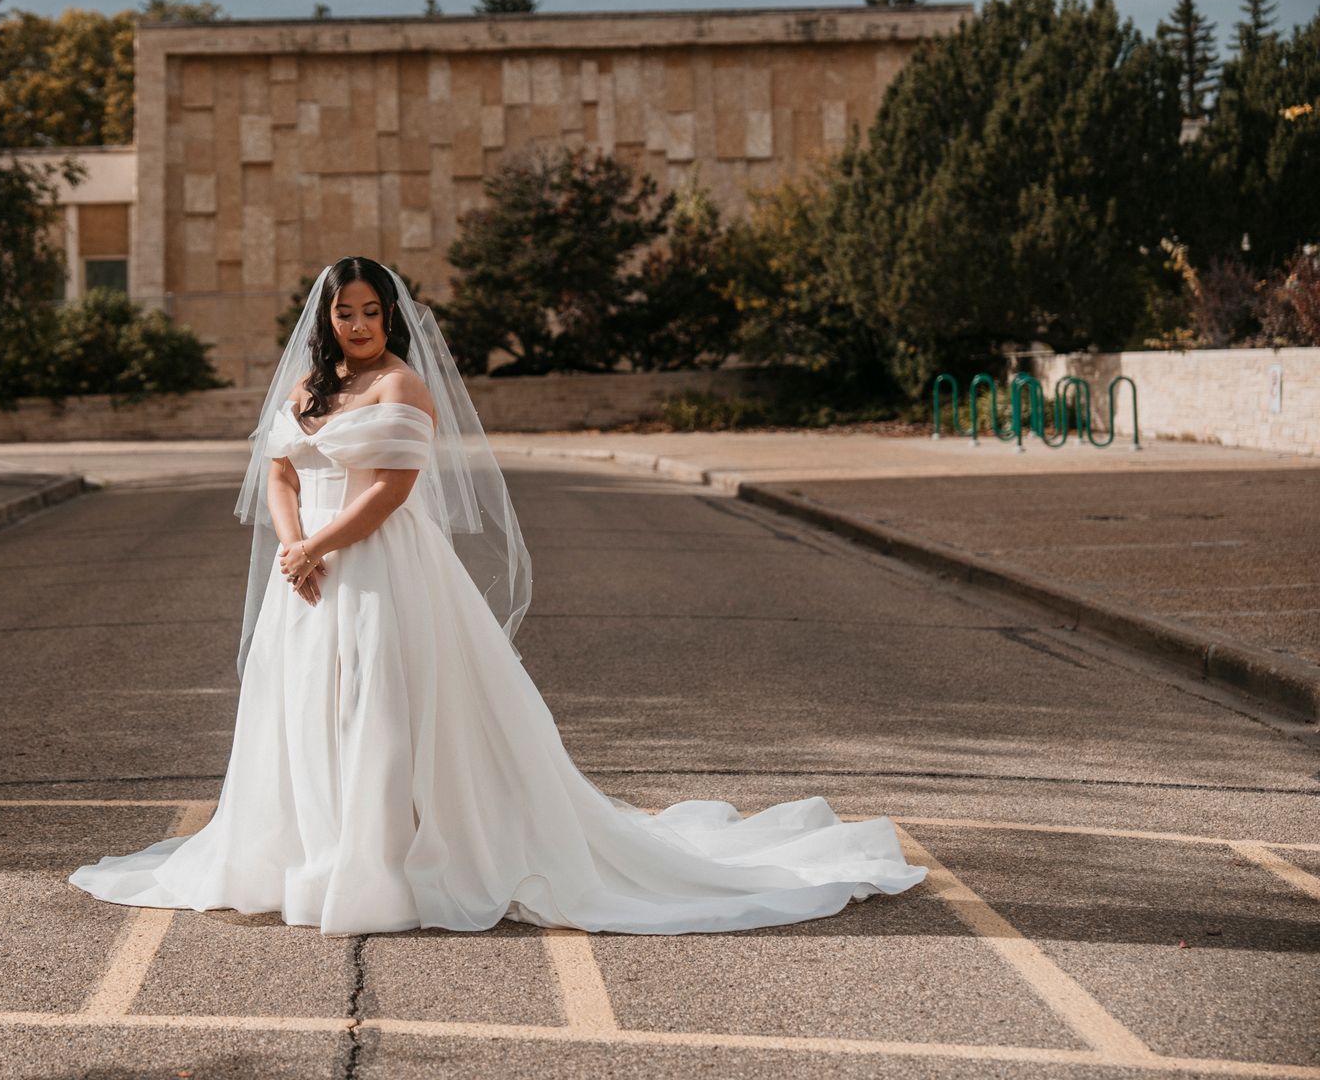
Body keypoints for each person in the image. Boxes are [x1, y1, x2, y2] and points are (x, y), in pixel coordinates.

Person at [68, 255, 926, 935]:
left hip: (380, 565)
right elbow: (281, 471)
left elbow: (393, 490)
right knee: (307, 711)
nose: (358, 324)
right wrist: (294, 545)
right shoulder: (304, 390)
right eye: (344, 311)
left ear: (390, 317)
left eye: (371, 310)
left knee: (385, 709)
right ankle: (314, 852)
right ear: (324, 318)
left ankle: (384, 866)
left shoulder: (405, 386)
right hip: (313, 571)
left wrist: (319, 545)